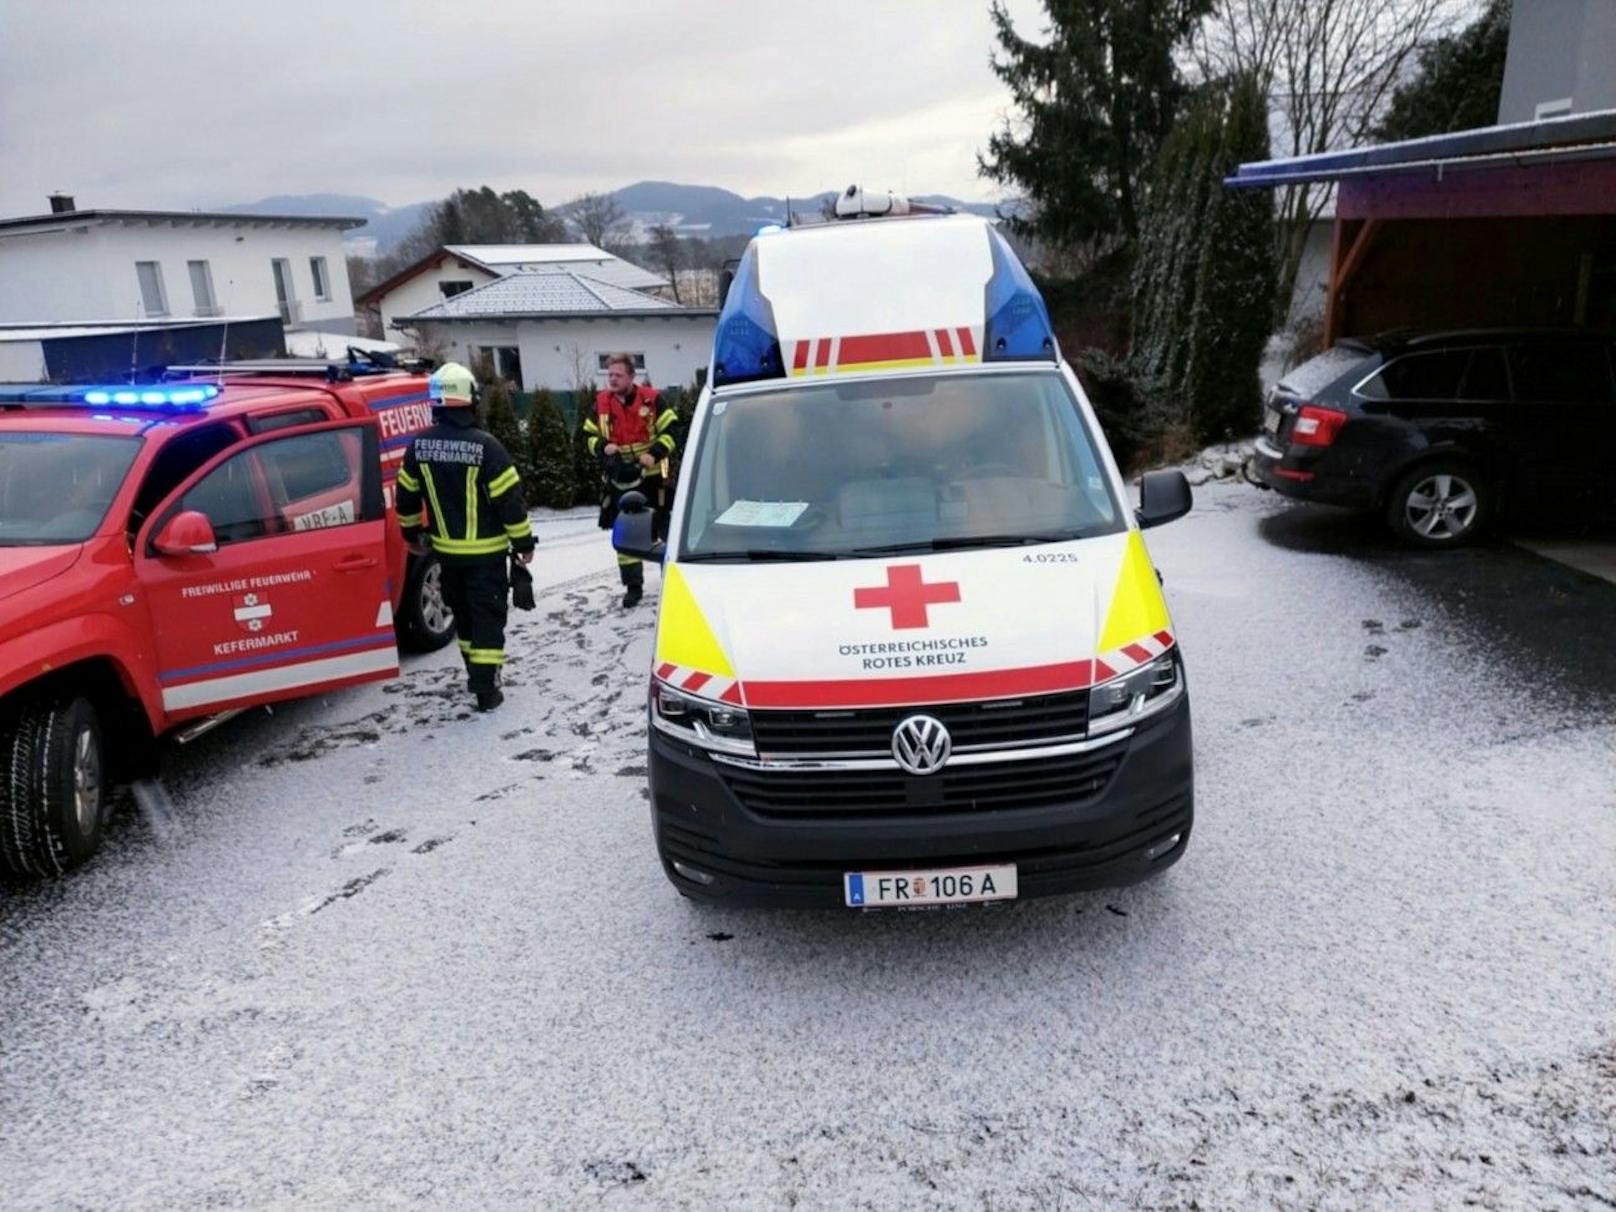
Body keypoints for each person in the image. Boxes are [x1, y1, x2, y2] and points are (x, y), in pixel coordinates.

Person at [394, 362, 535, 712]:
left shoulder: (419, 447)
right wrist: (523, 544)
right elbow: (509, 503)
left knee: (465, 620)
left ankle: (476, 672)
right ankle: (487, 689)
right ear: (471, 399)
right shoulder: (487, 446)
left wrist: (411, 535)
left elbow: (406, 497)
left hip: (446, 557)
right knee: (487, 618)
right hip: (486, 556)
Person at [583, 353, 678, 608]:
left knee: (662, 529)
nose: (612, 379)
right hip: (619, 477)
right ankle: (633, 587)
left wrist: (654, 453)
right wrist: (603, 447)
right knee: (624, 532)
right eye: (610, 374)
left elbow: (672, 432)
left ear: (631, 377)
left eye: (618, 375)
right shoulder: (601, 403)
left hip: (653, 476)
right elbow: (587, 437)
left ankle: (670, 580)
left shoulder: (653, 399)